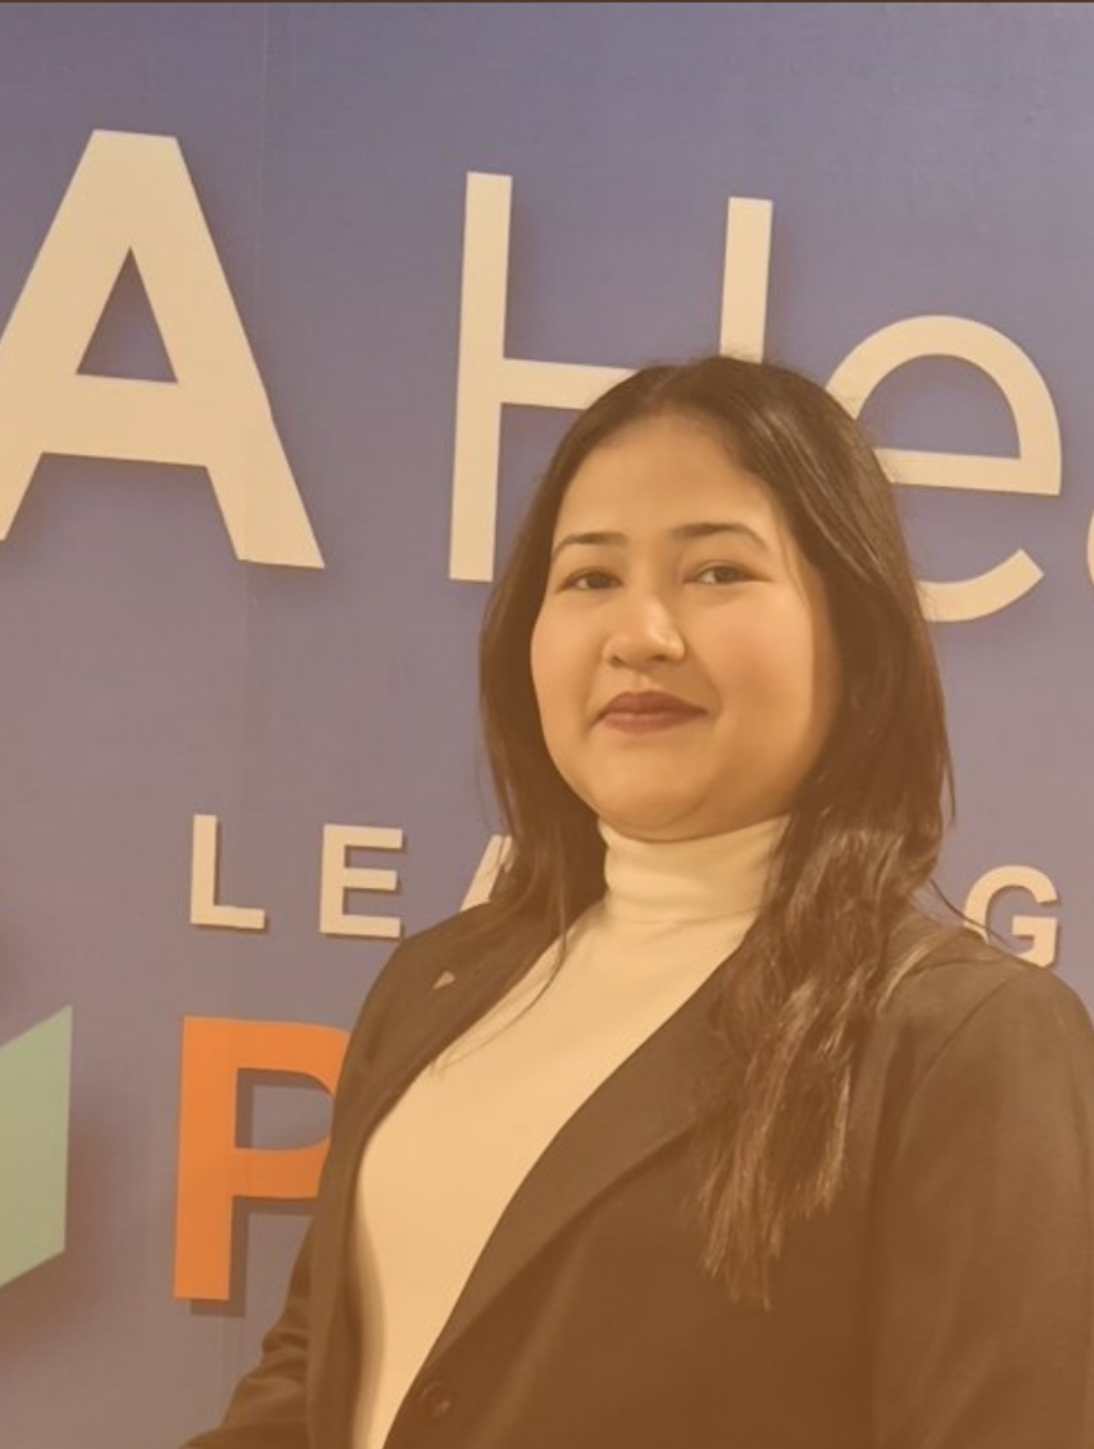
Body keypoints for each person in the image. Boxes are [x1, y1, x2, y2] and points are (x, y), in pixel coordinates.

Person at [182, 355, 1094, 1449]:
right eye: (589, 578)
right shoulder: (436, 984)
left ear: (852, 638)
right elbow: (313, 1373)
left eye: (716, 572)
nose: (641, 634)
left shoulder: (965, 1041)